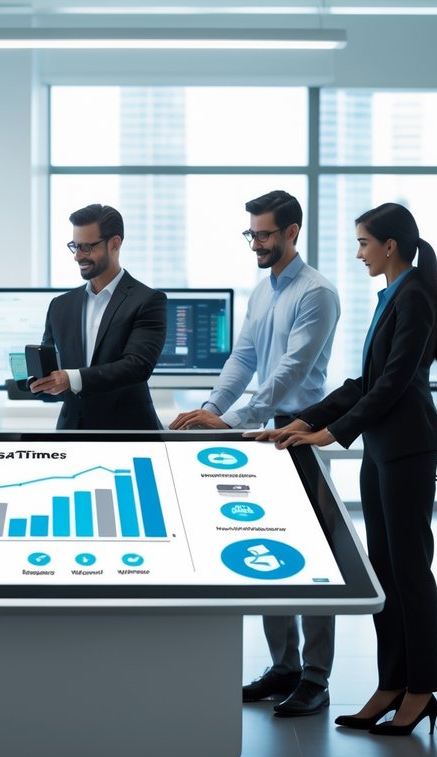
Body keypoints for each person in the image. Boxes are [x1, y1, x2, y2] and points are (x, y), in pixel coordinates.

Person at [254, 202, 437, 736]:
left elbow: (394, 385)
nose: (358, 253)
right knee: (384, 573)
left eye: (364, 243)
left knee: (410, 571)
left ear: (389, 245)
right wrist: (301, 421)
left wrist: (330, 433)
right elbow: (364, 383)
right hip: (383, 451)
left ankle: (421, 688)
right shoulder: (391, 296)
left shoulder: (414, 297)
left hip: (408, 450)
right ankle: (392, 684)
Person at [170, 190, 341, 718]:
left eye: (264, 234)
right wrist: (211, 408)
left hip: (299, 434)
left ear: (292, 233)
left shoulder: (316, 293)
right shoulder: (261, 291)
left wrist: (233, 421)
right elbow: (243, 357)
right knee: (266, 554)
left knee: (312, 562)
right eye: (251, 234)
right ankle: (283, 666)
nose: (255, 244)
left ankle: (315, 677)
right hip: (259, 439)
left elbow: (289, 371)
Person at [29, 203, 166, 429]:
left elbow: (137, 366)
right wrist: (41, 384)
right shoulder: (60, 305)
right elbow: (55, 373)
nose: (78, 256)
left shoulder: (148, 300)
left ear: (115, 244)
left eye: (87, 247)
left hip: (130, 433)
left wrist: (71, 378)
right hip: (71, 431)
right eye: (75, 246)